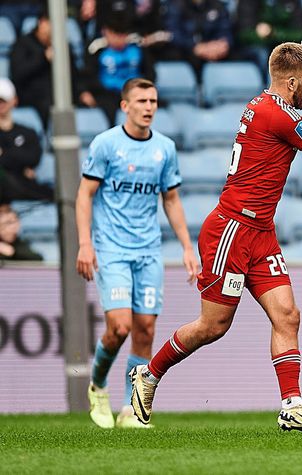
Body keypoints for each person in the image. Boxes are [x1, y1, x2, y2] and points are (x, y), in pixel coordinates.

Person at [130, 42, 302, 433]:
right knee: (213, 326)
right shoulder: (276, 114)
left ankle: (292, 405)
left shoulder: (275, 109)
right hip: (233, 230)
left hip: (260, 232)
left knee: (287, 315)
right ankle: (149, 375)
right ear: (291, 81)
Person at [76, 78, 199, 429]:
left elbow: (171, 200)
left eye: (154, 101)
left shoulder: (164, 148)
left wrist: (187, 248)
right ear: (125, 105)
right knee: (119, 327)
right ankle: (98, 386)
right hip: (111, 248)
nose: (149, 107)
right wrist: (85, 243)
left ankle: (132, 409)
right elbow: (84, 195)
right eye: (141, 100)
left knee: (145, 329)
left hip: (148, 250)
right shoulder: (106, 145)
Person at [10, 8, 83, 127]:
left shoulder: (63, 45)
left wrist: (82, 91)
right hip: (32, 97)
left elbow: (74, 74)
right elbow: (18, 74)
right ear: (41, 23)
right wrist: (43, 58)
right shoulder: (23, 44)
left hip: (62, 96)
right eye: (50, 23)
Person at [81, 18, 156, 125]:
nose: (119, 38)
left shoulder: (136, 48)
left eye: (122, 34)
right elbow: (88, 76)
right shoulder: (96, 49)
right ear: (106, 32)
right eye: (115, 34)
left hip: (134, 93)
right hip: (107, 95)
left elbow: (150, 74)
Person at [0, 78, 54, 205]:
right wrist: (20, 165)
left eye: (3, 100)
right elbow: (26, 158)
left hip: (23, 187)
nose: (1, 105)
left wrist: (4, 155)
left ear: (14, 100)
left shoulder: (28, 132)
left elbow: (33, 157)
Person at [162, 0, 233, 78]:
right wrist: (194, 47)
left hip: (214, 54)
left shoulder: (218, 6)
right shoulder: (174, 5)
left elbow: (226, 32)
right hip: (185, 54)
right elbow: (172, 34)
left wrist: (221, 45)